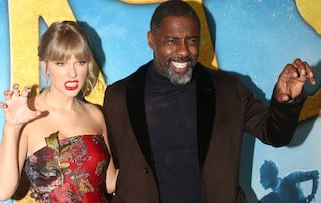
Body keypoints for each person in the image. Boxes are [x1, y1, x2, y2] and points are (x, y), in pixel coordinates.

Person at [102, 1, 316, 202]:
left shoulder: (227, 88)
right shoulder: (118, 97)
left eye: (192, 40)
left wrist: (285, 99)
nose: (184, 50)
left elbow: (275, 135)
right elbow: (112, 164)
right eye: (172, 41)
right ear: (151, 39)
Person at [0, 21, 118, 202]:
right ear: (45, 66)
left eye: (80, 62)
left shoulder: (95, 114)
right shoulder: (28, 116)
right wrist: (11, 127)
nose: (72, 73)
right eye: (61, 63)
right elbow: (1, 192)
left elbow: (109, 182)